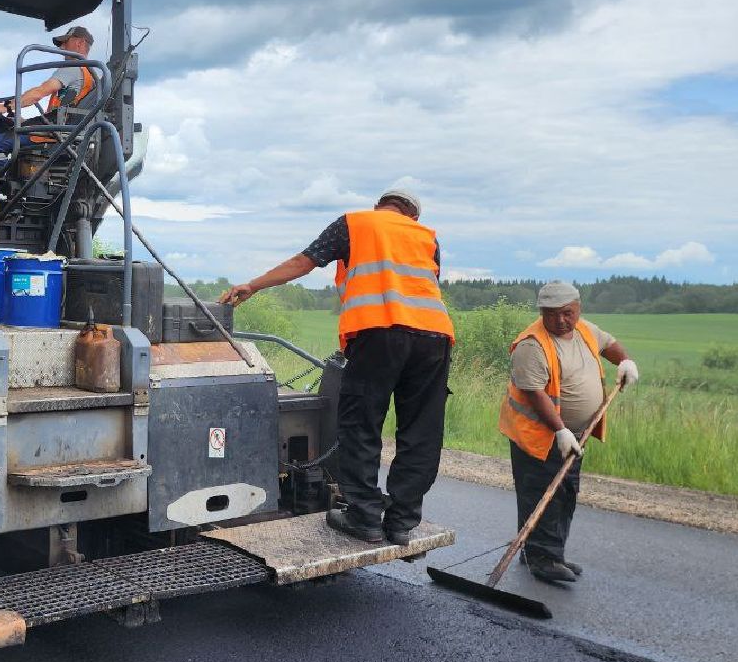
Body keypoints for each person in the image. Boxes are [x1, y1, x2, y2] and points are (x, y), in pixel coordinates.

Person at [221, 188, 453, 546]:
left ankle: (364, 517)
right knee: (421, 432)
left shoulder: (356, 223)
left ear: (380, 206)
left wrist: (253, 285)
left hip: (379, 333)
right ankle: (402, 521)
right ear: (413, 217)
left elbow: (304, 261)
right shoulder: (428, 238)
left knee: (361, 422)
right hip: (435, 338)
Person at [499, 280, 638, 584]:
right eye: (551, 315)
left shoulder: (586, 330)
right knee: (544, 493)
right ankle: (543, 558)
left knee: (565, 492)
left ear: (578, 309)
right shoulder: (531, 345)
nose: (560, 320)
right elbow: (536, 394)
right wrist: (561, 431)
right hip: (540, 435)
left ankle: (547, 552)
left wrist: (624, 360)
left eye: (567, 313)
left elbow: (608, 343)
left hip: (574, 434)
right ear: (542, 313)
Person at [0, 26, 99, 193]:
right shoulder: (90, 74)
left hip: (54, 133)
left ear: (80, 43)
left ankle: (5, 190)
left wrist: (5, 107)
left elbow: (39, 92)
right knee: (12, 126)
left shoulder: (73, 67)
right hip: (58, 129)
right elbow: (58, 112)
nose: (61, 48)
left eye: (65, 42)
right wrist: (19, 118)